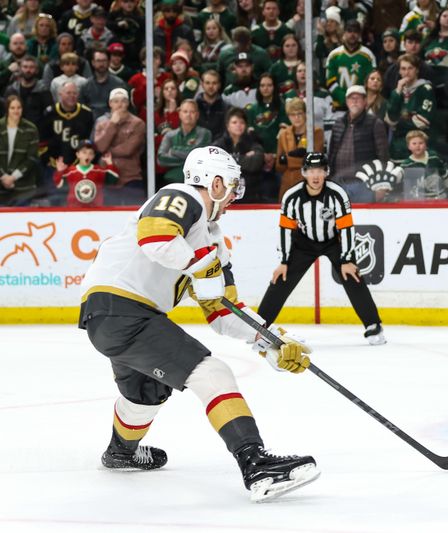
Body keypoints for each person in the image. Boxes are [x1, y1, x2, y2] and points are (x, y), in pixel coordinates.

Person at [79, 145, 319, 502]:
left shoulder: (213, 240)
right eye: (233, 184)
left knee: (145, 394)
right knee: (212, 372)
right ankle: (255, 465)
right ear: (215, 182)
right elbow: (156, 236)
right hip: (123, 308)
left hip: (113, 316)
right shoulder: (183, 195)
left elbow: (224, 312)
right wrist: (200, 266)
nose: (236, 192)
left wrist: (272, 341)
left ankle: (120, 452)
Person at [258, 151, 386, 345]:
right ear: (304, 172)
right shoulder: (292, 197)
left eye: (320, 170)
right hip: (303, 243)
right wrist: (284, 261)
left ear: (326, 172)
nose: (315, 176)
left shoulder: (337, 194)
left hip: (332, 241)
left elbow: (347, 228)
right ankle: (260, 326)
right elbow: (285, 229)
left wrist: (346, 259)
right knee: (280, 278)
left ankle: (373, 325)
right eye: (311, 171)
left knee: (351, 274)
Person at [328, 84, 389, 203]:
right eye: (351, 98)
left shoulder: (375, 123)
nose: (354, 101)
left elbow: (383, 155)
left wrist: (382, 185)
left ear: (365, 101)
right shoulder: (338, 123)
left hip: (364, 184)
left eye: (358, 98)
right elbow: (332, 153)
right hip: (339, 183)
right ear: (346, 101)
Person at [93, 88, 146, 205]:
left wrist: (107, 151)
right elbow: (100, 147)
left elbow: (128, 150)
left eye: (123, 101)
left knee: (134, 216)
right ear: (110, 103)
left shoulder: (138, 123)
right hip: (108, 176)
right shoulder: (101, 122)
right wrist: (112, 124)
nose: (119, 104)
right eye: (116, 101)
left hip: (131, 176)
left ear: (128, 103)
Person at [385, 53, 435, 160]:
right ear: (399, 71)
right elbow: (390, 119)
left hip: (419, 146)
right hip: (397, 147)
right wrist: (398, 90)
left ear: (416, 70)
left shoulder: (425, 89)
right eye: (403, 69)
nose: (406, 72)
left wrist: (398, 122)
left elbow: (422, 121)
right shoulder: (397, 92)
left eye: (410, 68)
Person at [276, 97, 324, 201]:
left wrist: (287, 159)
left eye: (299, 114)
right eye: (293, 115)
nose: (296, 117)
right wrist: (301, 157)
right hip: (288, 184)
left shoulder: (316, 132)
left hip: (309, 183)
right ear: (288, 116)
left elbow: (315, 161)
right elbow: (279, 165)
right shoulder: (283, 134)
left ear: (306, 114)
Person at [213, 107, 265, 203]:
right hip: (224, 193)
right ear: (227, 125)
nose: (238, 125)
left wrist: (229, 158)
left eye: (241, 122)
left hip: (250, 191)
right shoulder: (219, 143)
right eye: (234, 122)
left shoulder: (253, 142)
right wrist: (244, 158)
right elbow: (216, 163)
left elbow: (256, 162)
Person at [325, 19, 376, 114]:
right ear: (344, 33)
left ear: (360, 34)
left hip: (361, 108)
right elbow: (330, 82)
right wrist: (345, 99)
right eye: (349, 31)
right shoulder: (334, 55)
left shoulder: (367, 55)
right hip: (339, 108)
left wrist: (358, 101)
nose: (352, 34)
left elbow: (371, 82)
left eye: (356, 31)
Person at [158, 99, 213, 184]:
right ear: (179, 114)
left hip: (196, 183)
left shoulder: (205, 133)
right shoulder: (169, 135)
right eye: (185, 111)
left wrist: (173, 150)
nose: (188, 115)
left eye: (192, 112)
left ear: (197, 115)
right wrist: (189, 159)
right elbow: (161, 159)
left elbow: (198, 156)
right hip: (171, 182)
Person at [53, 139, 119, 207]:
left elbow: (112, 180)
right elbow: (59, 185)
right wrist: (59, 171)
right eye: (84, 152)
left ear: (93, 156)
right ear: (78, 155)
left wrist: (110, 163)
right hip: (74, 211)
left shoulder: (98, 171)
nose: (87, 155)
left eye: (90, 153)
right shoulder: (70, 172)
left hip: (95, 211)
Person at [0, 95, 39, 206]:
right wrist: (3, 177)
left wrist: (13, 177)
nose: (16, 111)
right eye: (12, 108)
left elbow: (32, 158)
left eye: (19, 108)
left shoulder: (31, 129)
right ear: (7, 109)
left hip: (24, 187)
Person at [399, 129, 448, 201]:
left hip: (439, 198)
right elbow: (403, 185)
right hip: (419, 201)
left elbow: (444, 174)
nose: (418, 146)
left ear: (425, 145)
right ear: (409, 146)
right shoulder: (406, 164)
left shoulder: (434, 157)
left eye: (421, 143)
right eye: (414, 143)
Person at [80, 49, 129, 120]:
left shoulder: (119, 84)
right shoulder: (85, 85)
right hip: (89, 123)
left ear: (109, 62)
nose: (101, 64)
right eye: (98, 61)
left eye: (104, 61)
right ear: (93, 62)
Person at [195, 69, 228, 139]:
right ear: (202, 84)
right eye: (207, 83)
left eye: (214, 83)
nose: (211, 86)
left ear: (219, 85)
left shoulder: (227, 108)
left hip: (219, 146)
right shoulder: (194, 106)